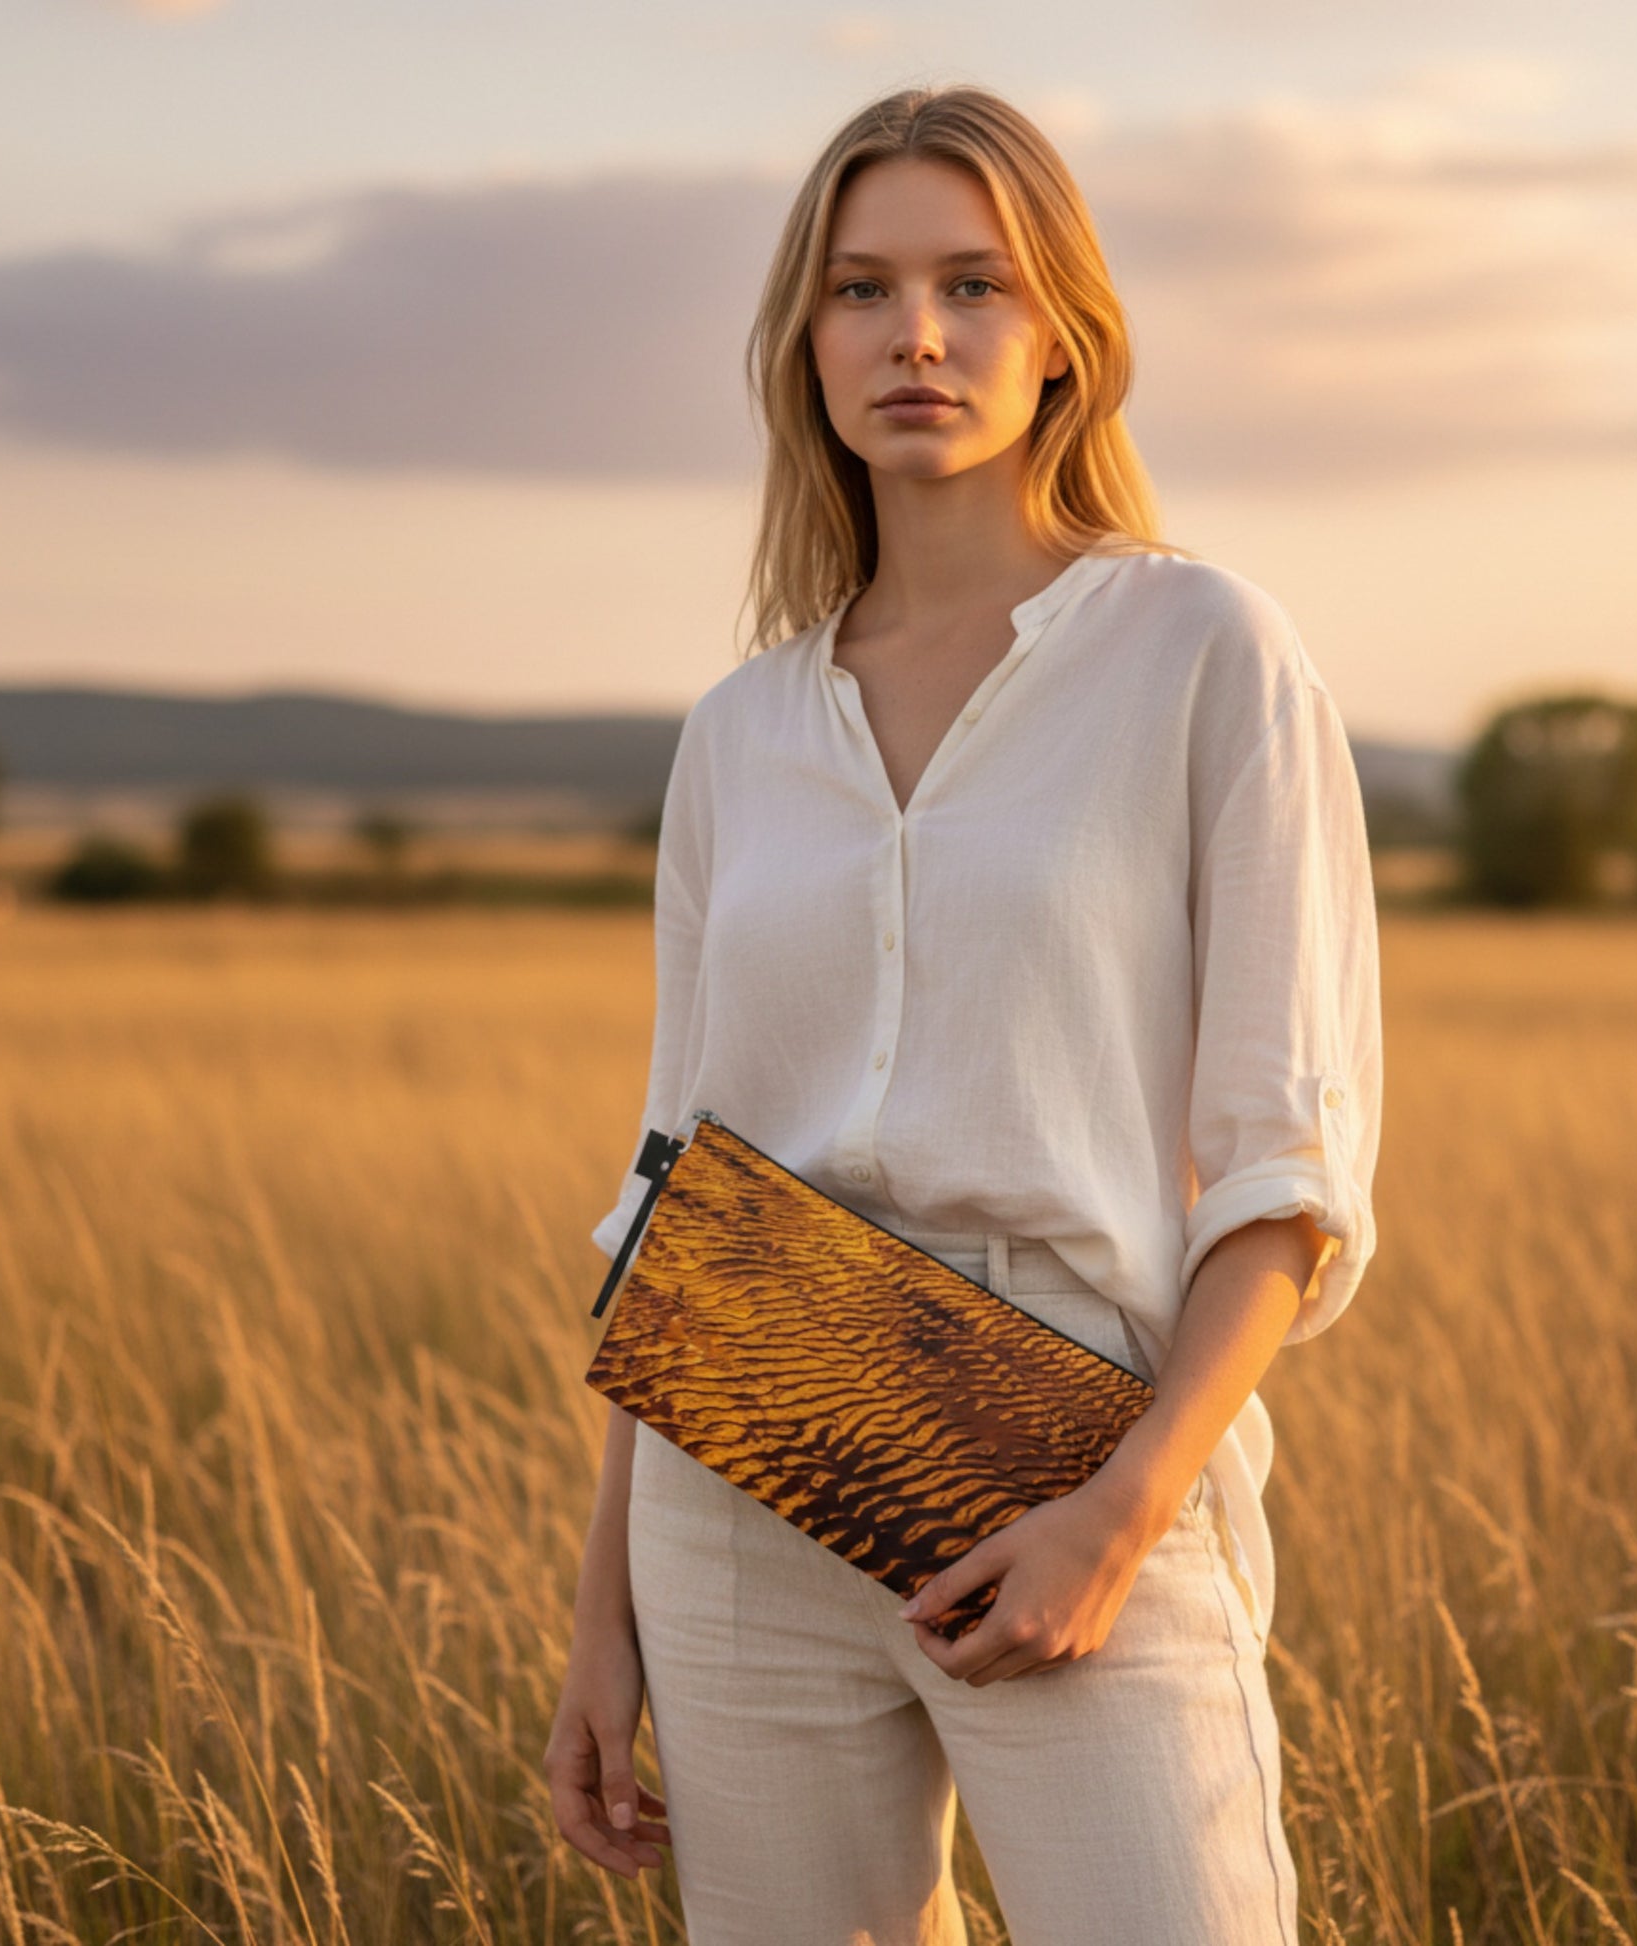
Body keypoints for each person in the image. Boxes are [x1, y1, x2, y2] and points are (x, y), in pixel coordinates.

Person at [545, 82, 1384, 1946]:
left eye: (971, 284)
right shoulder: (739, 730)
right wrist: (604, 1615)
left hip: (1081, 1459)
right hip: (733, 1471)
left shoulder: (1204, 656)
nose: (913, 334)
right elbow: (671, 1188)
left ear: (1065, 338)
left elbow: (1288, 1171)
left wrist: (1120, 1512)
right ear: (804, 344)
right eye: (859, 289)